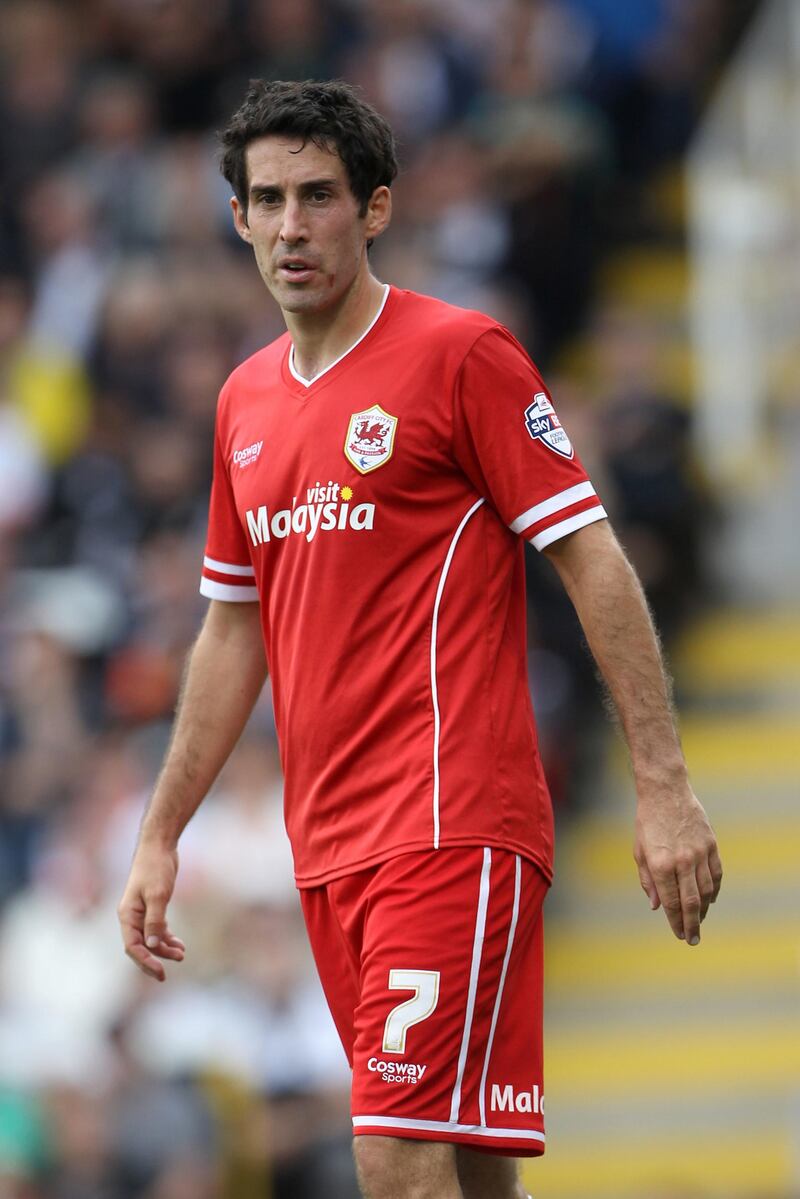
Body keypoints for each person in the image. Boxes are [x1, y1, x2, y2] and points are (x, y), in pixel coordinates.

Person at [117, 79, 723, 1199]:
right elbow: (228, 628)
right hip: (330, 846)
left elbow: (589, 554)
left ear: (375, 209)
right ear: (238, 219)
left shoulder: (460, 356)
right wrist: (161, 832)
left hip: (451, 820)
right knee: (470, 1170)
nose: (291, 226)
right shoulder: (242, 403)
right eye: (266, 200)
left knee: (392, 1159)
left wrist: (663, 785)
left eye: (317, 197)